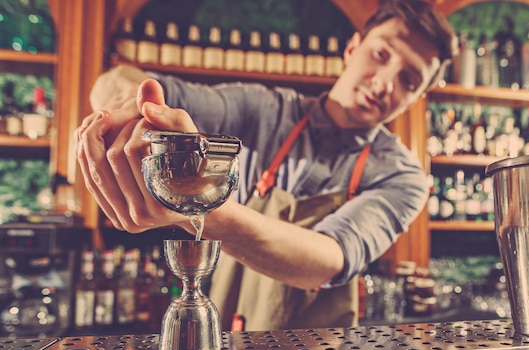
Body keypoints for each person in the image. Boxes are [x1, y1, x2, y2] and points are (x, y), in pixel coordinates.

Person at [75, 0, 458, 331]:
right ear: (352, 48)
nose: (385, 83)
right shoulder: (261, 109)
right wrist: (135, 110)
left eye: (408, 80)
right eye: (381, 55)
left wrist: (198, 202)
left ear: (417, 98)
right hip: (220, 341)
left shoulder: (404, 177)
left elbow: (330, 259)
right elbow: (125, 82)